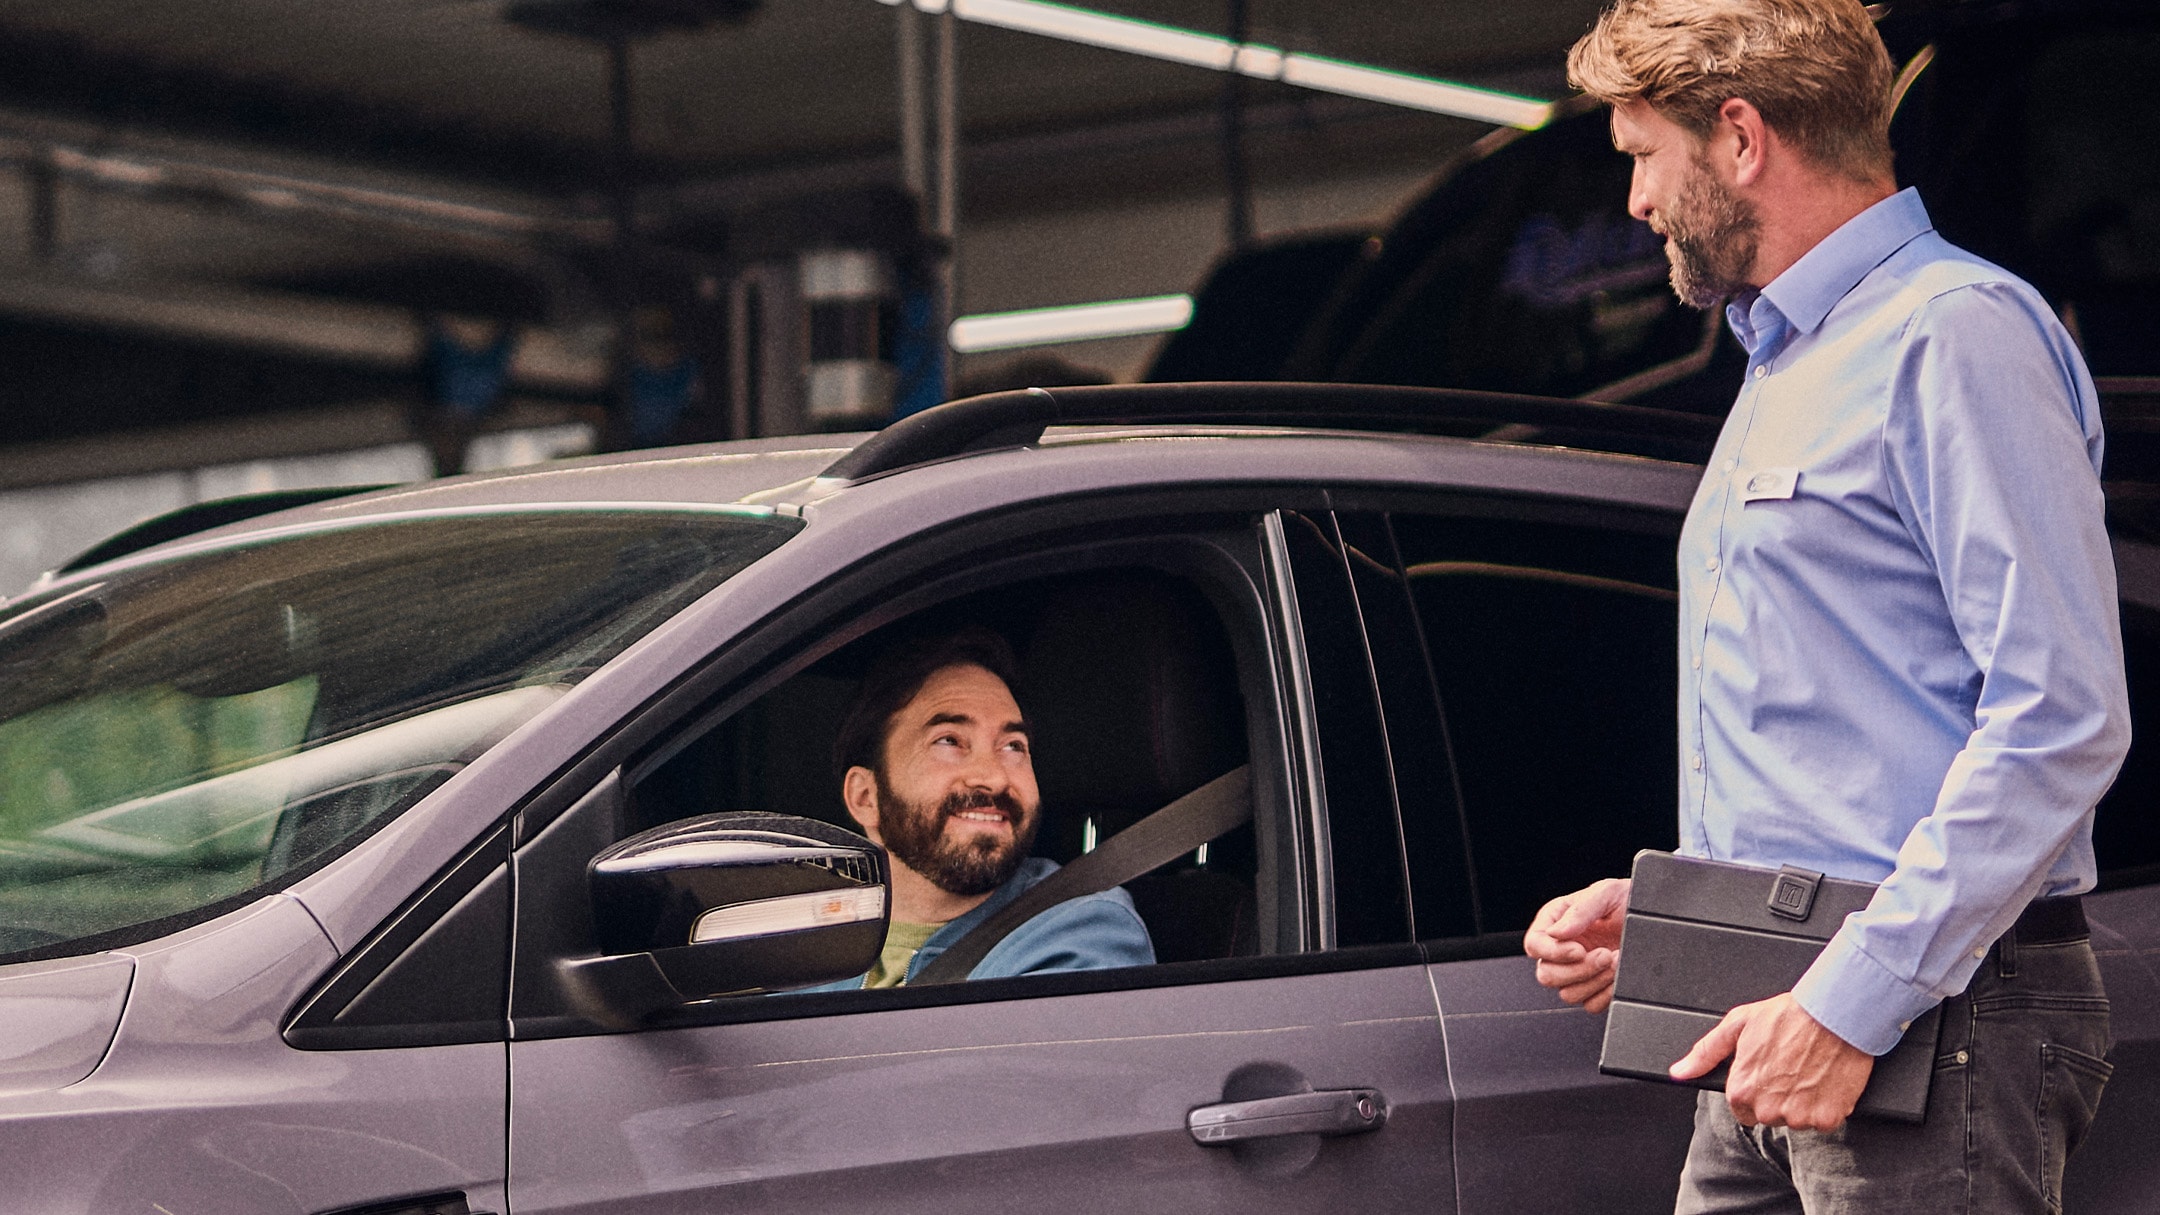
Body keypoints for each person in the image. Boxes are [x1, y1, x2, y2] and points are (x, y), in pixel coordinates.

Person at [1522, 1, 2131, 1209]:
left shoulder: (1953, 336)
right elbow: (1849, 721)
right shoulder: (1789, 358)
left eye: (1644, 155)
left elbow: (2061, 717)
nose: (1635, 204)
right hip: (1777, 1007)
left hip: (1933, 1017)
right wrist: (1678, 909)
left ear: (1740, 137)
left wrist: (1851, 1002)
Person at [804, 627, 1154, 990]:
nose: (994, 778)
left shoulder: (1082, 931)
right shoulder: (799, 942)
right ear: (866, 798)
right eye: (950, 741)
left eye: (1013, 746)